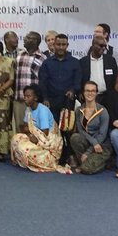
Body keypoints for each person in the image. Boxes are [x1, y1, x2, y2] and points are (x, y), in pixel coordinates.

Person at [39, 33, 82, 165]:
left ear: (67, 46)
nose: (61, 47)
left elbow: (78, 80)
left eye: (64, 44)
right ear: (54, 45)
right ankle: (56, 156)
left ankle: (70, 156)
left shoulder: (75, 62)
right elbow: (42, 82)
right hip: (51, 102)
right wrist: (45, 98)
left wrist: (73, 90)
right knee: (54, 130)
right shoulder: (46, 63)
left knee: (67, 130)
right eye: (58, 44)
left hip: (67, 102)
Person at [11, 85, 70, 174]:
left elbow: (45, 133)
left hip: (49, 143)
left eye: (28, 96)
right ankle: (27, 161)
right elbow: (24, 127)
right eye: (24, 96)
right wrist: (30, 135)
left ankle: (43, 162)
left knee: (23, 148)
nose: (25, 99)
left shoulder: (42, 110)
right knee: (15, 138)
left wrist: (31, 134)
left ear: (35, 98)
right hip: (35, 137)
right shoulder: (28, 109)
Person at [70, 81, 112, 175]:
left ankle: (105, 161)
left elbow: (102, 134)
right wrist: (93, 143)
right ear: (83, 93)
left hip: (101, 145)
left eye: (93, 91)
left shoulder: (102, 111)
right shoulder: (79, 110)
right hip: (90, 142)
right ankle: (86, 161)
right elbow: (80, 130)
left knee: (86, 169)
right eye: (87, 90)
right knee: (75, 137)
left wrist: (88, 152)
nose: (90, 93)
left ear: (96, 93)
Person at [13, 31, 47, 130]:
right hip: (19, 98)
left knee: (35, 128)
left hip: (34, 101)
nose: (24, 39)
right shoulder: (19, 55)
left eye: (28, 38)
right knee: (20, 128)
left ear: (35, 41)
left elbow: (43, 80)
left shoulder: (43, 58)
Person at [80, 36, 117, 105]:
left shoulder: (110, 60)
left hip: (108, 97)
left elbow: (116, 78)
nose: (103, 48)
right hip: (90, 97)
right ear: (93, 45)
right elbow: (80, 79)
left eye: (105, 46)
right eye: (101, 46)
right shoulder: (83, 61)